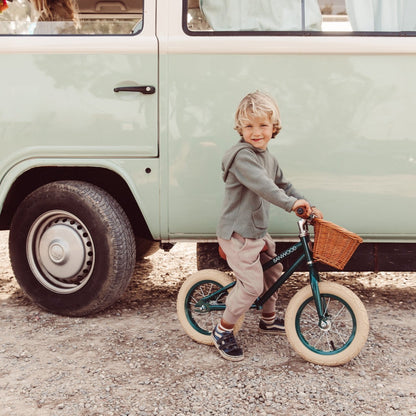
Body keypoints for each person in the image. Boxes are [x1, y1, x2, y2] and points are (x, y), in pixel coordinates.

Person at [213, 91, 323, 361]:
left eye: (263, 125)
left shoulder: (268, 157)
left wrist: (306, 204)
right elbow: (265, 187)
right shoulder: (242, 157)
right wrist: (290, 206)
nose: (256, 132)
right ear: (240, 128)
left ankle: (268, 318)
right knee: (251, 285)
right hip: (237, 234)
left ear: (274, 127)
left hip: (257, 232)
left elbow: (283, 185)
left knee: (273, 272)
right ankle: (222, 330)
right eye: (249, 126)